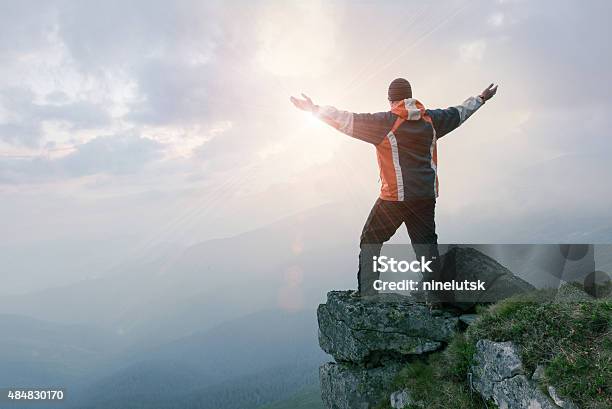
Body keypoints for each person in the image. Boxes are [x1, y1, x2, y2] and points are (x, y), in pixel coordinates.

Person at [290, 79, 498, 297]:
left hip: (395, 198)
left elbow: (346, 119)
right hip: (425, 196)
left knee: (370, 240)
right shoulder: (432, 119)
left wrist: (314, 110)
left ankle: (368, 293)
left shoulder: (385, 122)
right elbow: (458, 113)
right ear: (410, 96)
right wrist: (481, 98)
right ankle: (436, 299)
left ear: (391, 100)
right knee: (425, 245)